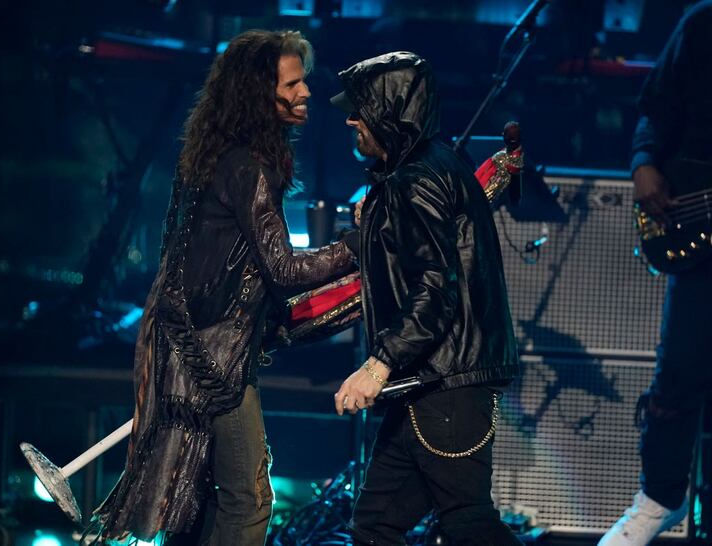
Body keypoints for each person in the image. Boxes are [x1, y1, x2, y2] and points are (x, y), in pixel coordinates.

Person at [90, 29, 357, 545]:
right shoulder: (252, 168)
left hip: (193, 349)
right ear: (260, 94)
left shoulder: (218, 157)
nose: (306, 94)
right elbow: (283, 270)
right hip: (214, 359)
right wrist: (357, 244)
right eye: (294, 84)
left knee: (200, 497)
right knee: (249, 498)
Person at [330, 51, 522, 546]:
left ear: (390, 111)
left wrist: (376, 365)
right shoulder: (432, 167)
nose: (351, 118)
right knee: (375, 525)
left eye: (362, 108)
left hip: (445, 383)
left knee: (468, 521)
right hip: (430, 381)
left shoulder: (415, 181)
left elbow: (435, 288)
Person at [599, 3, 712, 545]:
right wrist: (644, 161)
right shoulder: (703, 22)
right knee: (680, 370)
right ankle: (660, 497)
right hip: (696, 228)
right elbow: (656, 106)